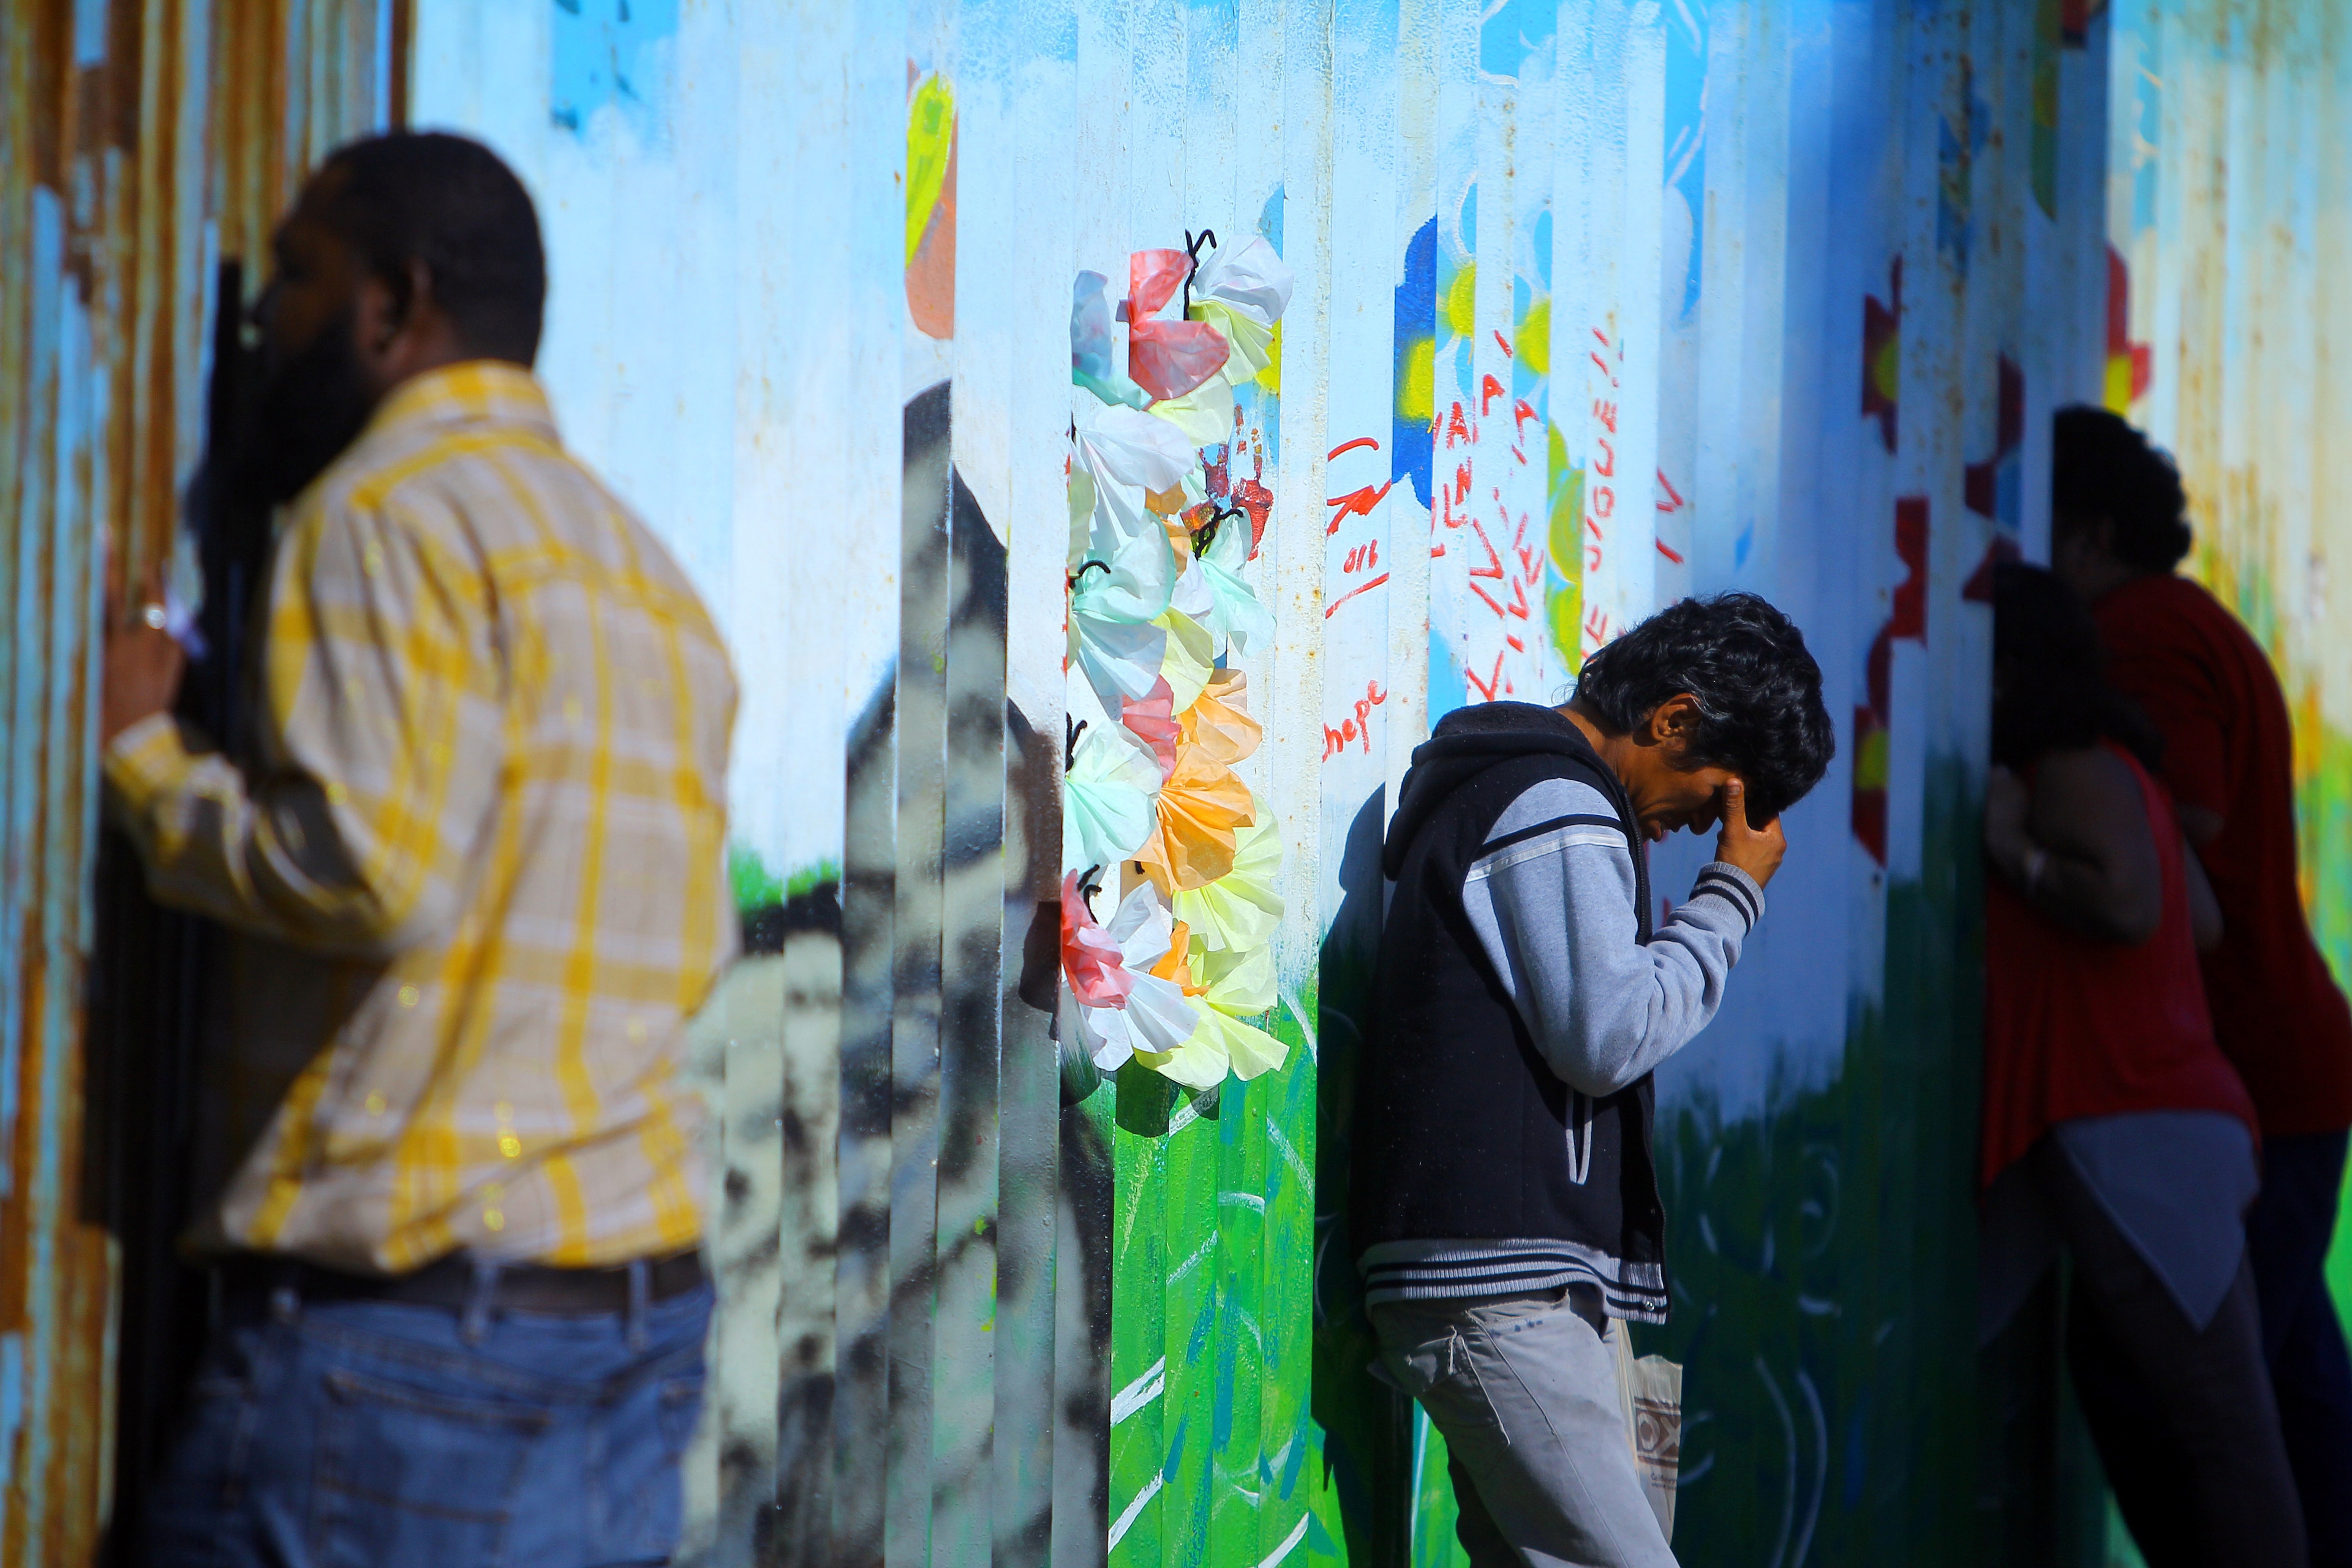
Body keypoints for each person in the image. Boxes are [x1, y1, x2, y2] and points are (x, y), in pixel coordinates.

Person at [100, 132, 737, 1567]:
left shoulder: (382, 513)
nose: (262, 317)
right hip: (630, 1328)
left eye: (292, 276)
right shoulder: (643, 572)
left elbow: (372, 867)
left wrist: (146, 757)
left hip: (411, 1354)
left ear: (392, 306)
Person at [1350, 593, 1834, 1567]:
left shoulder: (1545, 795)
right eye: (1706, 802)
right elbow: (1607, 1033)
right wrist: (1731, 897)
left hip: (1520, 1280)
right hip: (1498, 1288)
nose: (1690, 834)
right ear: (1673, 721)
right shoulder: (1556, 801)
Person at [2051, 405, 2352, 1564]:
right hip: (2282, 1071)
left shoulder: (2140, 629)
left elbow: (2187, 820)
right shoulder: (2186, 620)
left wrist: (2043, 821)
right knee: (2280, 1389)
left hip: (2255, 1077)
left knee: (2172, 1396)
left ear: (2085, 537)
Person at [1977, 562, 2302, 1566]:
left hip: (2133, 1123)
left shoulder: (2071, 768)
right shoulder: (2125, 768)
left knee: (2226, 1432)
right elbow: (2197, 918)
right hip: (2137, 1116)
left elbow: (2134, 907)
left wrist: (2015, 852)